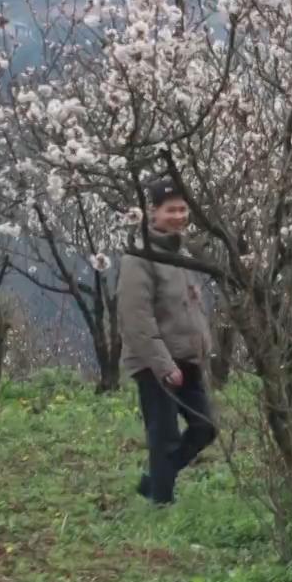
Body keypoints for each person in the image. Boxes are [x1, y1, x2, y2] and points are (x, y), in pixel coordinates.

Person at [118, 179, 217, 506]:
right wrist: (163, 366)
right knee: (165, 437)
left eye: (182, 208)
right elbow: (136, 318)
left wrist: (202, 347)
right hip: (153, 361)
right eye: (170, 209)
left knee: (205, 427)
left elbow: (189, 305)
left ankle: (155, 481)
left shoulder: (182, 252)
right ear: (152, 213)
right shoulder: (140, 257)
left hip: (186, 357)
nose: (178, 215)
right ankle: (161, 504)